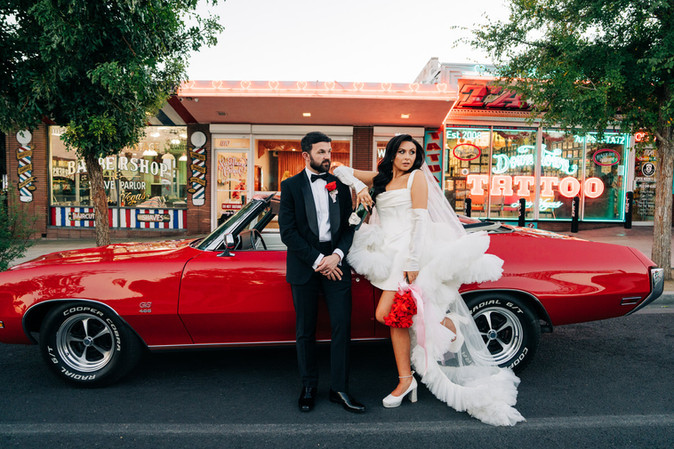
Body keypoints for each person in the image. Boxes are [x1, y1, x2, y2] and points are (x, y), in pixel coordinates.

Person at [334, 134, 524, 426]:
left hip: (411, 253)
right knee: (395, 318)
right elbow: (338, 168)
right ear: (391, 154)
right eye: (401, 152)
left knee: (385, 314)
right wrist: (360, 187)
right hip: (387, 253)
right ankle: (405, 380)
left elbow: (420, 221)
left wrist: (412, 261)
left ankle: (451, 327)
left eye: (412, 152)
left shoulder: (416, 179)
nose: (407, 157)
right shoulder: (380, 179)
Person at [278, 131, 365, 414]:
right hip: (305, 265)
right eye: (321, 152)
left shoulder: (339, 184)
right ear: (306, 155)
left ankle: (339, 388)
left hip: (337, 263)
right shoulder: (289, 186)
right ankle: (308, 386)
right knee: (305, 331)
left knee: (342, 328)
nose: (328, 157)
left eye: (329, 151)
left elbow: (350, 226)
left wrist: (336, 256)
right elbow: (288, 233)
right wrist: (319, 261)